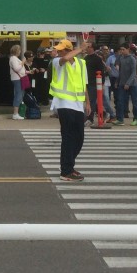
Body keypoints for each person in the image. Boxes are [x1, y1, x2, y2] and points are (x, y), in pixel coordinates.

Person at [49, 39, 90, 181]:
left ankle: (68, 165)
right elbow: (65, 58)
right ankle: (66, 170)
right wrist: (81, 48)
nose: (59, 52)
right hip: (63, 103)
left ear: (68, 49)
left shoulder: (81, 63)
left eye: (61, 50)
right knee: (68, 137)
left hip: (78, 104)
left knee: (79, 138)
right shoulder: (57, 61)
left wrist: (88, 104)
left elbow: (84, 84)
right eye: (58, 50)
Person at [114, 44, 137, 126]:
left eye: (123, 49)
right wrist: (117, 81)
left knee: (135, 102)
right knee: (120, 101)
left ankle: (136, 119)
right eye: (121, 50)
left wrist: (128, 83)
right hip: (122, 83)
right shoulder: (121, 58)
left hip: (133, 84)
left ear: (128, 49)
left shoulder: (132, 59)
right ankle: (120, 119)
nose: (122, 51)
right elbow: (121, 72)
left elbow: (134, 72)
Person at [8, 45, 27, 120]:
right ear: (16, 51)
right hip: (17, 78)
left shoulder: (14, 58)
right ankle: (15, 113)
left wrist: (27, 72)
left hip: (18, 78)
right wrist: (22, 62)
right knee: (18, 95)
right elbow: (17, 68)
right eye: (19, 50)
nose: (20, 52)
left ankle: (17, 112)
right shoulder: (13, 59)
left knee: (20, 94)